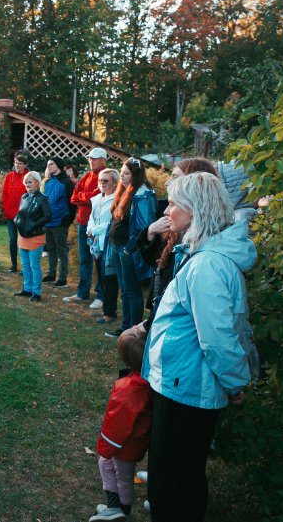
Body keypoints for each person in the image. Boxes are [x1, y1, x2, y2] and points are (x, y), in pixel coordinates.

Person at [141, 172, 254, 521]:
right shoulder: (204, 254)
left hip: (187, 387)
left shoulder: (208, 265)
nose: (168, 209)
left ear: (196, 210)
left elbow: (219, 339)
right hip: (183, 383)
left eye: (174, 203)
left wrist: (235, 383)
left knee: (174, 482)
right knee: (175, 475)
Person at [136, 159, 217, 330]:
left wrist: (152, 323)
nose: (167, 182)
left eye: (175, 177)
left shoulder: (200, 243)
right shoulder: (179, 225)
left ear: (193, 181)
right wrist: (150, 232)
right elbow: (159, 263)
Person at [90, 329, 154, 522]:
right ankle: (115, 507)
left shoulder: (128, 390)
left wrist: (106, 447)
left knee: (123, 476)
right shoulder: (149, 382)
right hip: (136, 441)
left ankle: (121, 512)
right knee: (110, 467)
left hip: (126, 444)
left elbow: (118, 425)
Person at [105, 158, 156, 338]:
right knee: (125, 290)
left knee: (132, 291)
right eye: (122, 172)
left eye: (126, 173)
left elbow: (143, 226)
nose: (122, 177)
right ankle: (125, 328)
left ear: (136, 175)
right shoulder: (125, 192)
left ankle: (133, 331)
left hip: (128, 251)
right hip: (118, 247)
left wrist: (128, 249)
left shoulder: (142, 195)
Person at [65, 148, 106, 305]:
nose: (91, 161)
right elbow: (74, 197)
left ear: (103, 159)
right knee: (84, 259)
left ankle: (100, 296)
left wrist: (85, 197)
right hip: (83, 223)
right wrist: (88, 197)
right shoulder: (87, 176)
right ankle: (83, 293)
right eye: (90, 158)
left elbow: (98, 197)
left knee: (100, 261)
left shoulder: (105, 176)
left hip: (98, 225)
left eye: (95, 158)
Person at [87, 168, 120, 324]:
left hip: (109, 245)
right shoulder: (96, 198)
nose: (102, 183)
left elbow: (111, 223)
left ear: (114, 182)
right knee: (101, 278)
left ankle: (109, 314)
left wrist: (94, 230)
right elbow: (92, 218)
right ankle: (107, 309)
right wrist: (90, 229)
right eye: (101, 180)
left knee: (109, 280)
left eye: (106, 180)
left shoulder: (117, 200)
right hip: (96, 244)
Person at [13, 171, 52, 301]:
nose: (27, 185)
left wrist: (33, 225)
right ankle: (27, 289)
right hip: (22, 235)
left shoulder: (42, 198)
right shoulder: (24, 197)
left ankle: (36, 292)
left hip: (35, 236)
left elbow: (47, 216)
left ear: (37, 182)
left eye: (30, 182)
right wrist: (16, 219)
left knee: (35, 265)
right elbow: (20, 211)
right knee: (25, 265)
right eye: (26, 182)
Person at [41, 157, 76, 286]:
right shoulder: (48, 182)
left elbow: (72, 203)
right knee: (51, 249)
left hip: (61, 221)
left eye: (51, 164)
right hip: (48, 221)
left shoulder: (67, 183)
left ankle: (62, 278)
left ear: (59, 166)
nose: (48, 166)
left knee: (61, 250)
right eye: (48, 164)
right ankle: (51, 274)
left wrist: (68, 219)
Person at [2, 154, 29, 273]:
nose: (17, 165)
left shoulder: (28, 177)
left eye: (20, 163)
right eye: (16, 163)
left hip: (23, 216)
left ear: (25, 165)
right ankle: (13, 265)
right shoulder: (9, 176)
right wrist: (6, 207)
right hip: (10, 215)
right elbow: (5, 193)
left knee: (24, 240)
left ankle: (25, 267)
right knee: (12, 240)